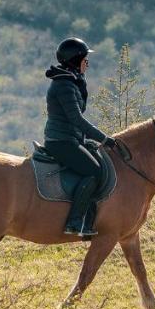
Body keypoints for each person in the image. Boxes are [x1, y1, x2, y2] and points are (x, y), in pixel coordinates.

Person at [43, 37, 116, 237]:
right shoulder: (64, 86)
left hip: (71, 139)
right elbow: (77, 120)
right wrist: (104, 138)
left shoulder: (71, 81)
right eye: (85, 59)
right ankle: (76, 222)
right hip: (61, 142)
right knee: (94, 172)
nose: (87, 63)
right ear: (75, 61)